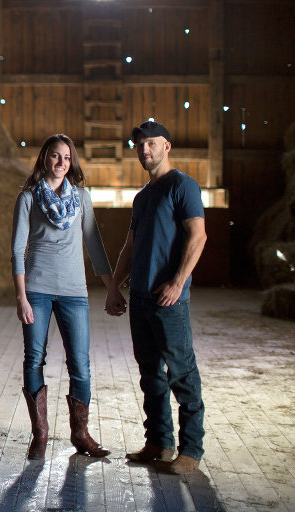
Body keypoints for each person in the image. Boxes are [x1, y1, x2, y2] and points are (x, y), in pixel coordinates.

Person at [105, 121, 207, 475]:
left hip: (169, 301)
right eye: (139, 145)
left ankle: (191, 450)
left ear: (167, 146)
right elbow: (130, 247)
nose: (143, 150)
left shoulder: (183, 186)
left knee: (181, 374)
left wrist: (178, 282)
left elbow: (198, 236)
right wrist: (114, 286)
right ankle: (160, 443)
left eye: (150, 143)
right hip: (141, 299)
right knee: (150, 374)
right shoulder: (142, 197)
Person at [11, 133, 120, 460]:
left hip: (74, 292)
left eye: (67, 158)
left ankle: (80, 434)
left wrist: (112, 287)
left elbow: (95, 245)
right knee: (34, 358)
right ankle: (40, 435)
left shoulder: (82, 198)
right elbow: (17, 249)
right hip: (38, 291)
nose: (61, 162)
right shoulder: (28, 197)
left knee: (81, 365)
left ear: (71, 163)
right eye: (55, 156)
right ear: (45, 158)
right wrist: (21, 296)